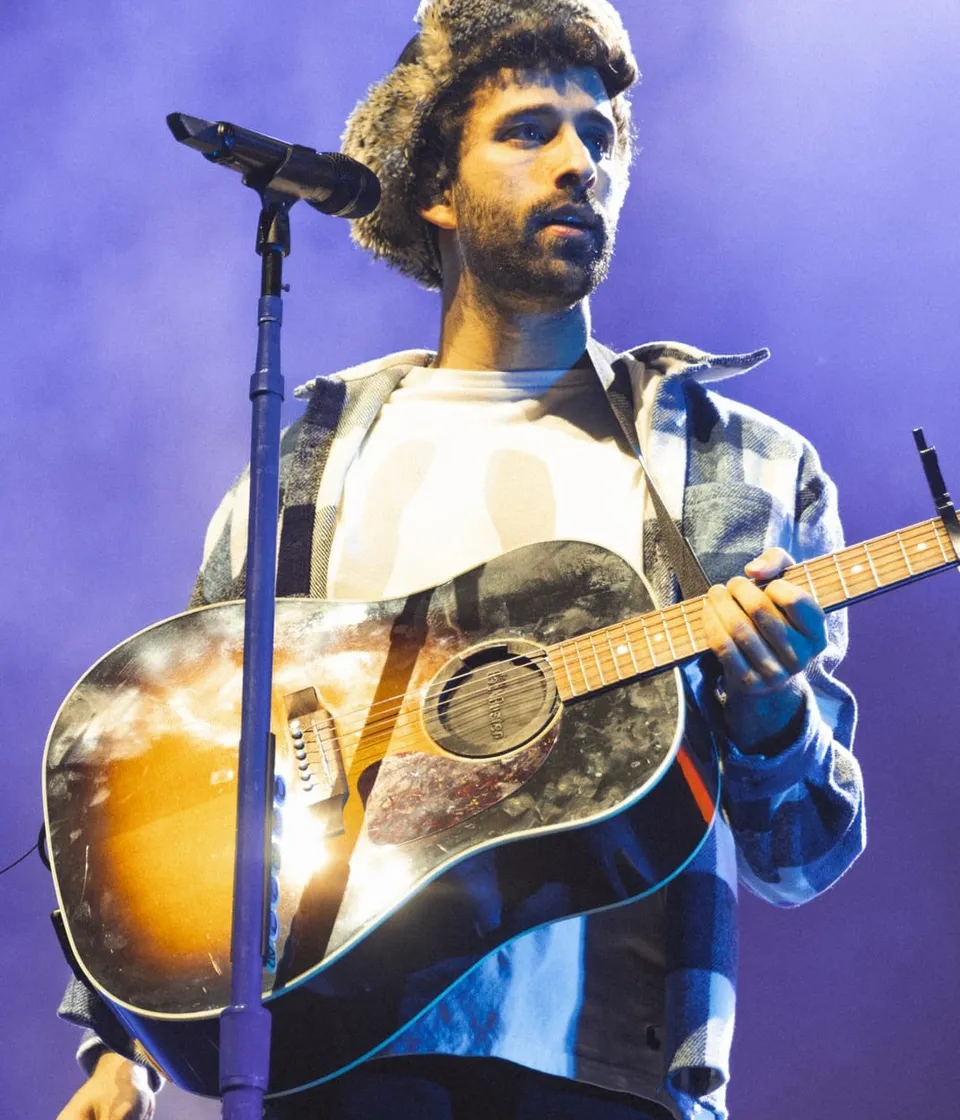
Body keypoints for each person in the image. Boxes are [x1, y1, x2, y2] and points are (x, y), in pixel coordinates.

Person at [56, 2, 865, 1118]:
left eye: (603, 134)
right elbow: (177, 753)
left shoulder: (739, 470)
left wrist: (773, 704)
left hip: (608, 1070)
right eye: (531, 129)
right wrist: (121, 1043)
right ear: (436, 185)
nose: (583, 162)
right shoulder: (309, 456)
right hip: (331, 1056)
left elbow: (805, 855)